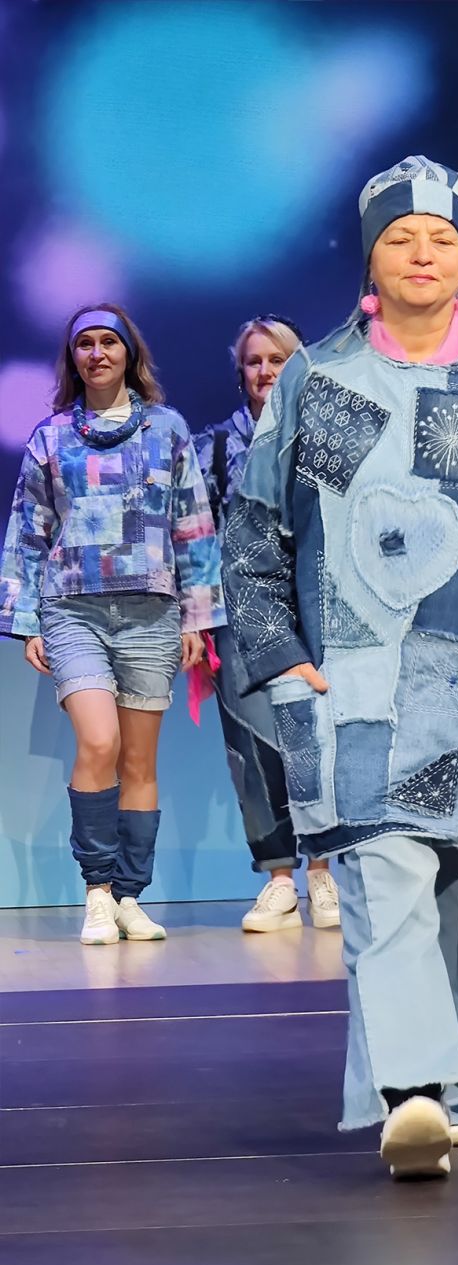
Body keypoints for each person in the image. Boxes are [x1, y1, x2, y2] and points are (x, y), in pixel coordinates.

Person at [222, 156, 458, 1179]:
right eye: (400, 237)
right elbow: (254, 531)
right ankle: (413, 1092)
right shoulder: (322, 381)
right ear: (371, 258)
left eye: (439, 237)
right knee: (383, 874)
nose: (421, 253)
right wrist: (282, 656)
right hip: (356, 683)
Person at [0, 304, 224, 944]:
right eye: (85, 344)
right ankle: (97, 891)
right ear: (72, 358)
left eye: (108, 342)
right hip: (74, 609)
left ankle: (130, 895)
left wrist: (197, 618)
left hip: (151, 613)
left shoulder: (167, 429)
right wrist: (26, 620)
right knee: (98, 744)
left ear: (129, 353)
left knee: (139, 761)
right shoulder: (50, 437)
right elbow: (28, 533)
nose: (97, 353)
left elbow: (194, 526)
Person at [195, 316, 340, 932]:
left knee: (318, 740)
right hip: (239, 617)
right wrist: (199, 618)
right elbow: (193, 539)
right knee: (252, 749)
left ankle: (323, 872)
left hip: (317, 609)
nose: (265, 372)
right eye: (255, 362)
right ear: (241, 374)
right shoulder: (213, 448)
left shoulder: (328, 439)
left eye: (277, 360)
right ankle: (279, 877)